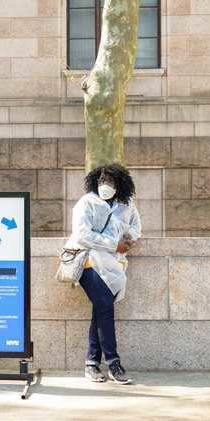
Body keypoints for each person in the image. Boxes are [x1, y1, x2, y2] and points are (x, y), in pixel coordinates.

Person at [63, 163, 142, 384]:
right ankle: (114, 363)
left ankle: (91, 363)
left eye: (109, 182)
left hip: (112, 265)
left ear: (119, 184)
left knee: (102, 307)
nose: (104, 185)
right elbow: (82, 234)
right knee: (105, 304)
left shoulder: (127, 204)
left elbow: (136, 227)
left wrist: (128, 238)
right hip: (87, 260)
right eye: (101, 181)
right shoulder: (86, 203)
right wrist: (113, 244)